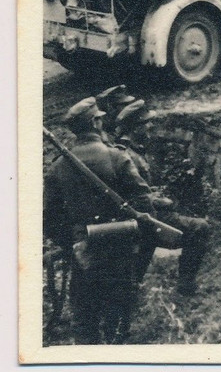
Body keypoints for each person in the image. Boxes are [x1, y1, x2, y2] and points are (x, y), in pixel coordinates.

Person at [44, 97, 154, 344]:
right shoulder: (117, 157)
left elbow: (50, 220)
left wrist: (76, 241)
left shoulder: (58, 167)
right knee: (118, 320)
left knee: (85, 322)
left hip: (83, 255)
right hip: (120, 250)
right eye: (100, 118)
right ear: (96, 123)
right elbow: (144, 203)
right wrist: (129, 234)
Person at [114, 100, 210, 296]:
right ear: (135, 127)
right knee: (200, 228)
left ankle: (131, 294)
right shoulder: (126, 155)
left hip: (145, 216)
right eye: (146, 123)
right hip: (144, 218)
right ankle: (185, 285)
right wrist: (159, 201)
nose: (150, 127)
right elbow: (132, 194)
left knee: (137, 266)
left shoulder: (132, 150)